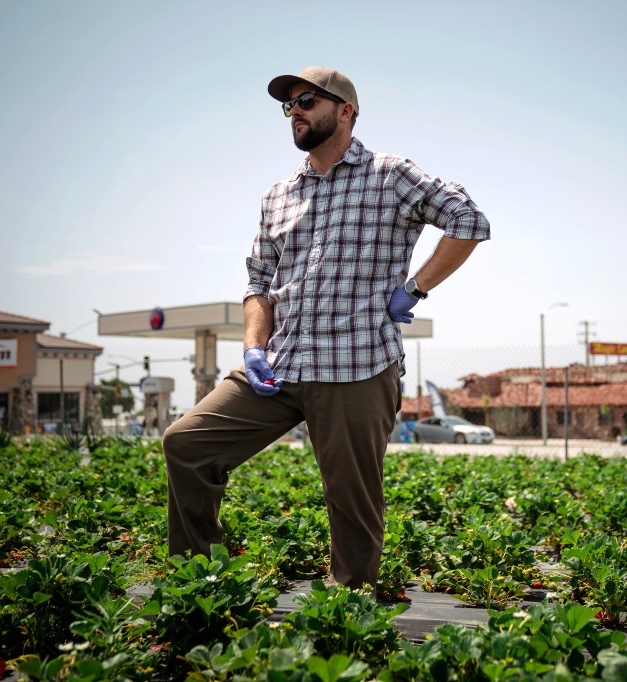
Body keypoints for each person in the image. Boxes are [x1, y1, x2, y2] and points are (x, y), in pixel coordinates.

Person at [162, 66, 490, 591]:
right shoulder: (278, 195)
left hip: (356, 365)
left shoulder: (390, 174)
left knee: (351, 501)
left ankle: (348, 613)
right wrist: (253, 349)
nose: (295, 110)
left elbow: (469, 221)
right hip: (281, 365)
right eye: (289, 104)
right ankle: (196, 581)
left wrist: (416, 287)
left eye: (308, 100)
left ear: (345, 111)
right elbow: (259, 281)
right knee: (187, 444)